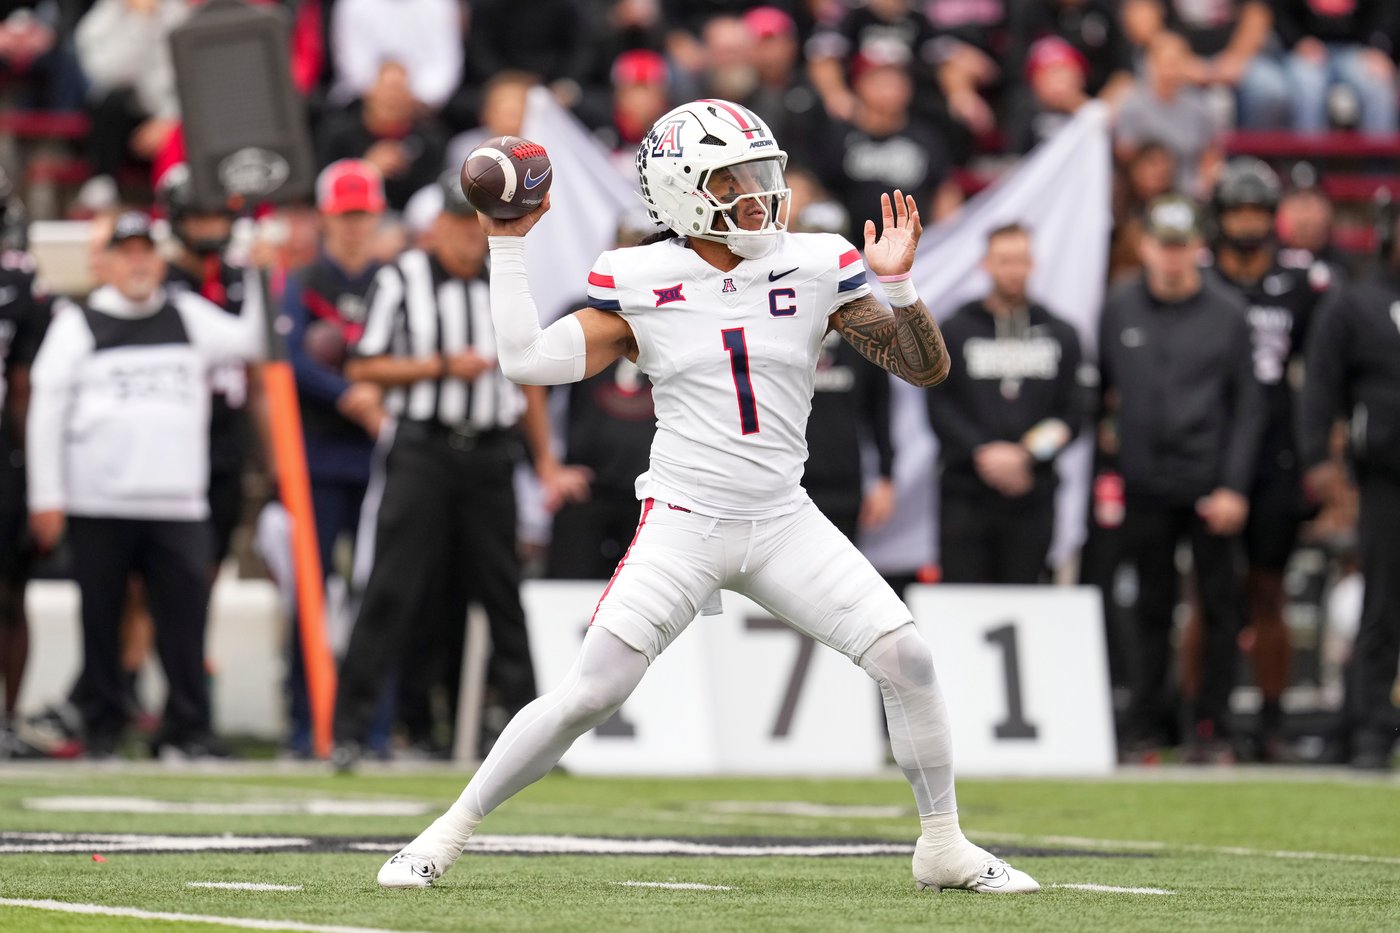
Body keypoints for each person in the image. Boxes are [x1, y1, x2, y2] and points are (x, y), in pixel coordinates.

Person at [374, 98, 1039, 895]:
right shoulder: (641, 279)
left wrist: (898, 287)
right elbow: (526, 361)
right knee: (593, 692)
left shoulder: (818, 260)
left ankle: (943, 842)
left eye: (765, 173)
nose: (762, 193)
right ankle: (445, 833)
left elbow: (924, 369)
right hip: (684, 519)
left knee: (908, 656)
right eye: (737, 177)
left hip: (784, 517)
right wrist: (506, 245)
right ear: (685, 192)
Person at [332, 171, 586, 765]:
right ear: (436, 227)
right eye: (455, 223)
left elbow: (533, 382)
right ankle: (350, 730)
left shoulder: (509, 279)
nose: (467, 238)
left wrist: (545, 459)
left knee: (502, 595)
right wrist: (442, 367)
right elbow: (362, 366)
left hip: (491, 456)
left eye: (473, 224)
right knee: (393, 588)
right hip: (422, 449)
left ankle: (536, 744)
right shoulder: (402, 278)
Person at [26, 210, 263, 759]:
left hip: (177, 501)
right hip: (97, 500)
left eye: (144, 251)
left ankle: (187, 727)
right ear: (102, 262)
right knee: (101, 618)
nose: (137, 262)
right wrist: (47, 497)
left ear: (159, 259)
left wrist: (252, 268)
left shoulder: (186, 314)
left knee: (185, 619)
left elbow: (252, 341)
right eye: (124, 251)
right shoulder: (77, 323)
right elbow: (45, 412)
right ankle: (102, 725)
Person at [1098, 195, 1266, 763]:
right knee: (1148, 606)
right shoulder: (1119, 308)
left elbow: (1249, 408)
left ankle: (1212, 725)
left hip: (1207, 483)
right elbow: (1099, 397)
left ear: (1198, 247)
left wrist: (1234, 487)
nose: (1172, 257)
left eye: (1181, 245)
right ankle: (1147, 724)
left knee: (1219, 609)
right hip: (1144, 483)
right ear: (1145, 246)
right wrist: (1109, 473)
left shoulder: (1228, 312)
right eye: (1163, 245)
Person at [1196, 159, 1331, 760]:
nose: (1248, 225)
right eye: (1238, 212)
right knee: (1207, 594)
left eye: (1256, 212)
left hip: (1275, 449)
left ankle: (1271, 720)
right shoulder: (1198, 275)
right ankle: (1204, 717)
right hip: (1212, 443)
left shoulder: (1301, 279)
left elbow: (1323, 369)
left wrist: (1321, 452)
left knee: (1268, 590)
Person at [280, 158, 388, 757]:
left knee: (380, 595)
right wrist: (350, 393)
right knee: (311, 596)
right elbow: (289, 359)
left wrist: (373, 390)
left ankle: (372, 726)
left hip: (377, 458)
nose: (354, 227)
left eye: (363, 215)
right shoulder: (303, 281)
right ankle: (305, 723)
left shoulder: (391, 278)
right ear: (327, 218)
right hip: (318, 459)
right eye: (346, 216)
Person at [926, 223, 1085, 584]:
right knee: (962, 601)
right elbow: (939, 405)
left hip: (1033, 492)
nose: (1013, 270)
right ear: (986, 264)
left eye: (1021, 260)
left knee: (1025, 594)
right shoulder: (955, 329)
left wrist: (1026, 454)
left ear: (1033, 264)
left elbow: (1075, 411)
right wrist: (982, 452)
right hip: (965, 493)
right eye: (1004, 260)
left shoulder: (1061, 333)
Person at [1299, 207, 1400, 770]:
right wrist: (1318, 457)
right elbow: (1320, 383)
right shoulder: (1357, 301)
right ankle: (1369, 729)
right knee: (1382, 607)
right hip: (1387, 476)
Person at [157, 164, 257, 570]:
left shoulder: (244, 276)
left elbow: (262, 371)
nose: (211, 227)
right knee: (157, 576)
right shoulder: (161, 282)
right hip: (172, 438)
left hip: (227, 435)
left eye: (218, 215)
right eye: (200, 217)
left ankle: (196, 638)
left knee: (212, 562)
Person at [0, 174, 47, 757]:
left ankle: (7, 717)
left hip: (4, 453)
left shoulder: (18, 284)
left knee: (10, 591)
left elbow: (28, 382)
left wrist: (33, 466)